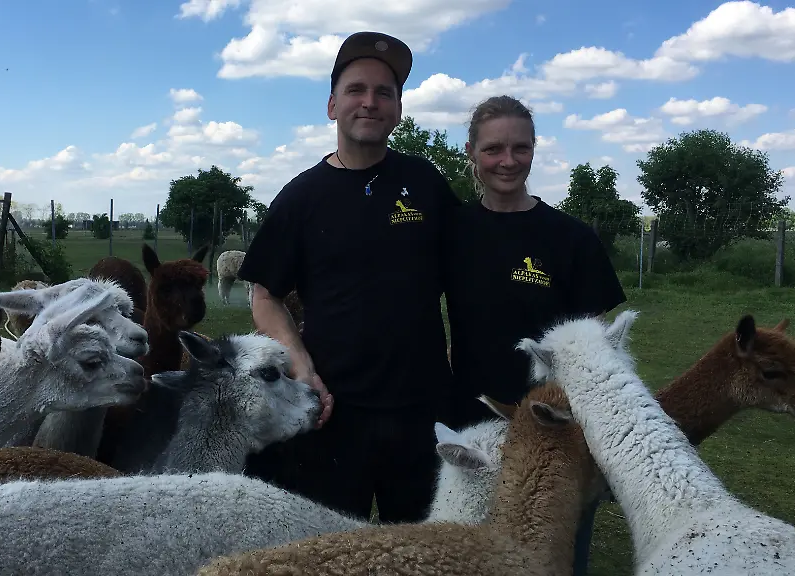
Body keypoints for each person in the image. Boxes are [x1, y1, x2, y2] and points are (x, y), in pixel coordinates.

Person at [236, 31, 460, 524]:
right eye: (357, 90)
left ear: (398, 110)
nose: (370, 102)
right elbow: (265, 295)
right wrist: (301, 364)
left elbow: (470, 276)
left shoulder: (425, 184)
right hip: (333, 413)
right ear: (333, 105)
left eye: (385, 92)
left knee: (423, 553)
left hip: (424, 414)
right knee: (334, 552)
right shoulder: (301, 198)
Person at [441, 94, 627, 576]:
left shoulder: (571, 240)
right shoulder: (452, 232)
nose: (507, 161)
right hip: (474, 423)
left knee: (555, 559)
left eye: (520, 148)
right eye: (493, 149)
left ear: (534, 149)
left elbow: (596, 349)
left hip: (557, 430)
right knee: (474, 553)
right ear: (471, 152)